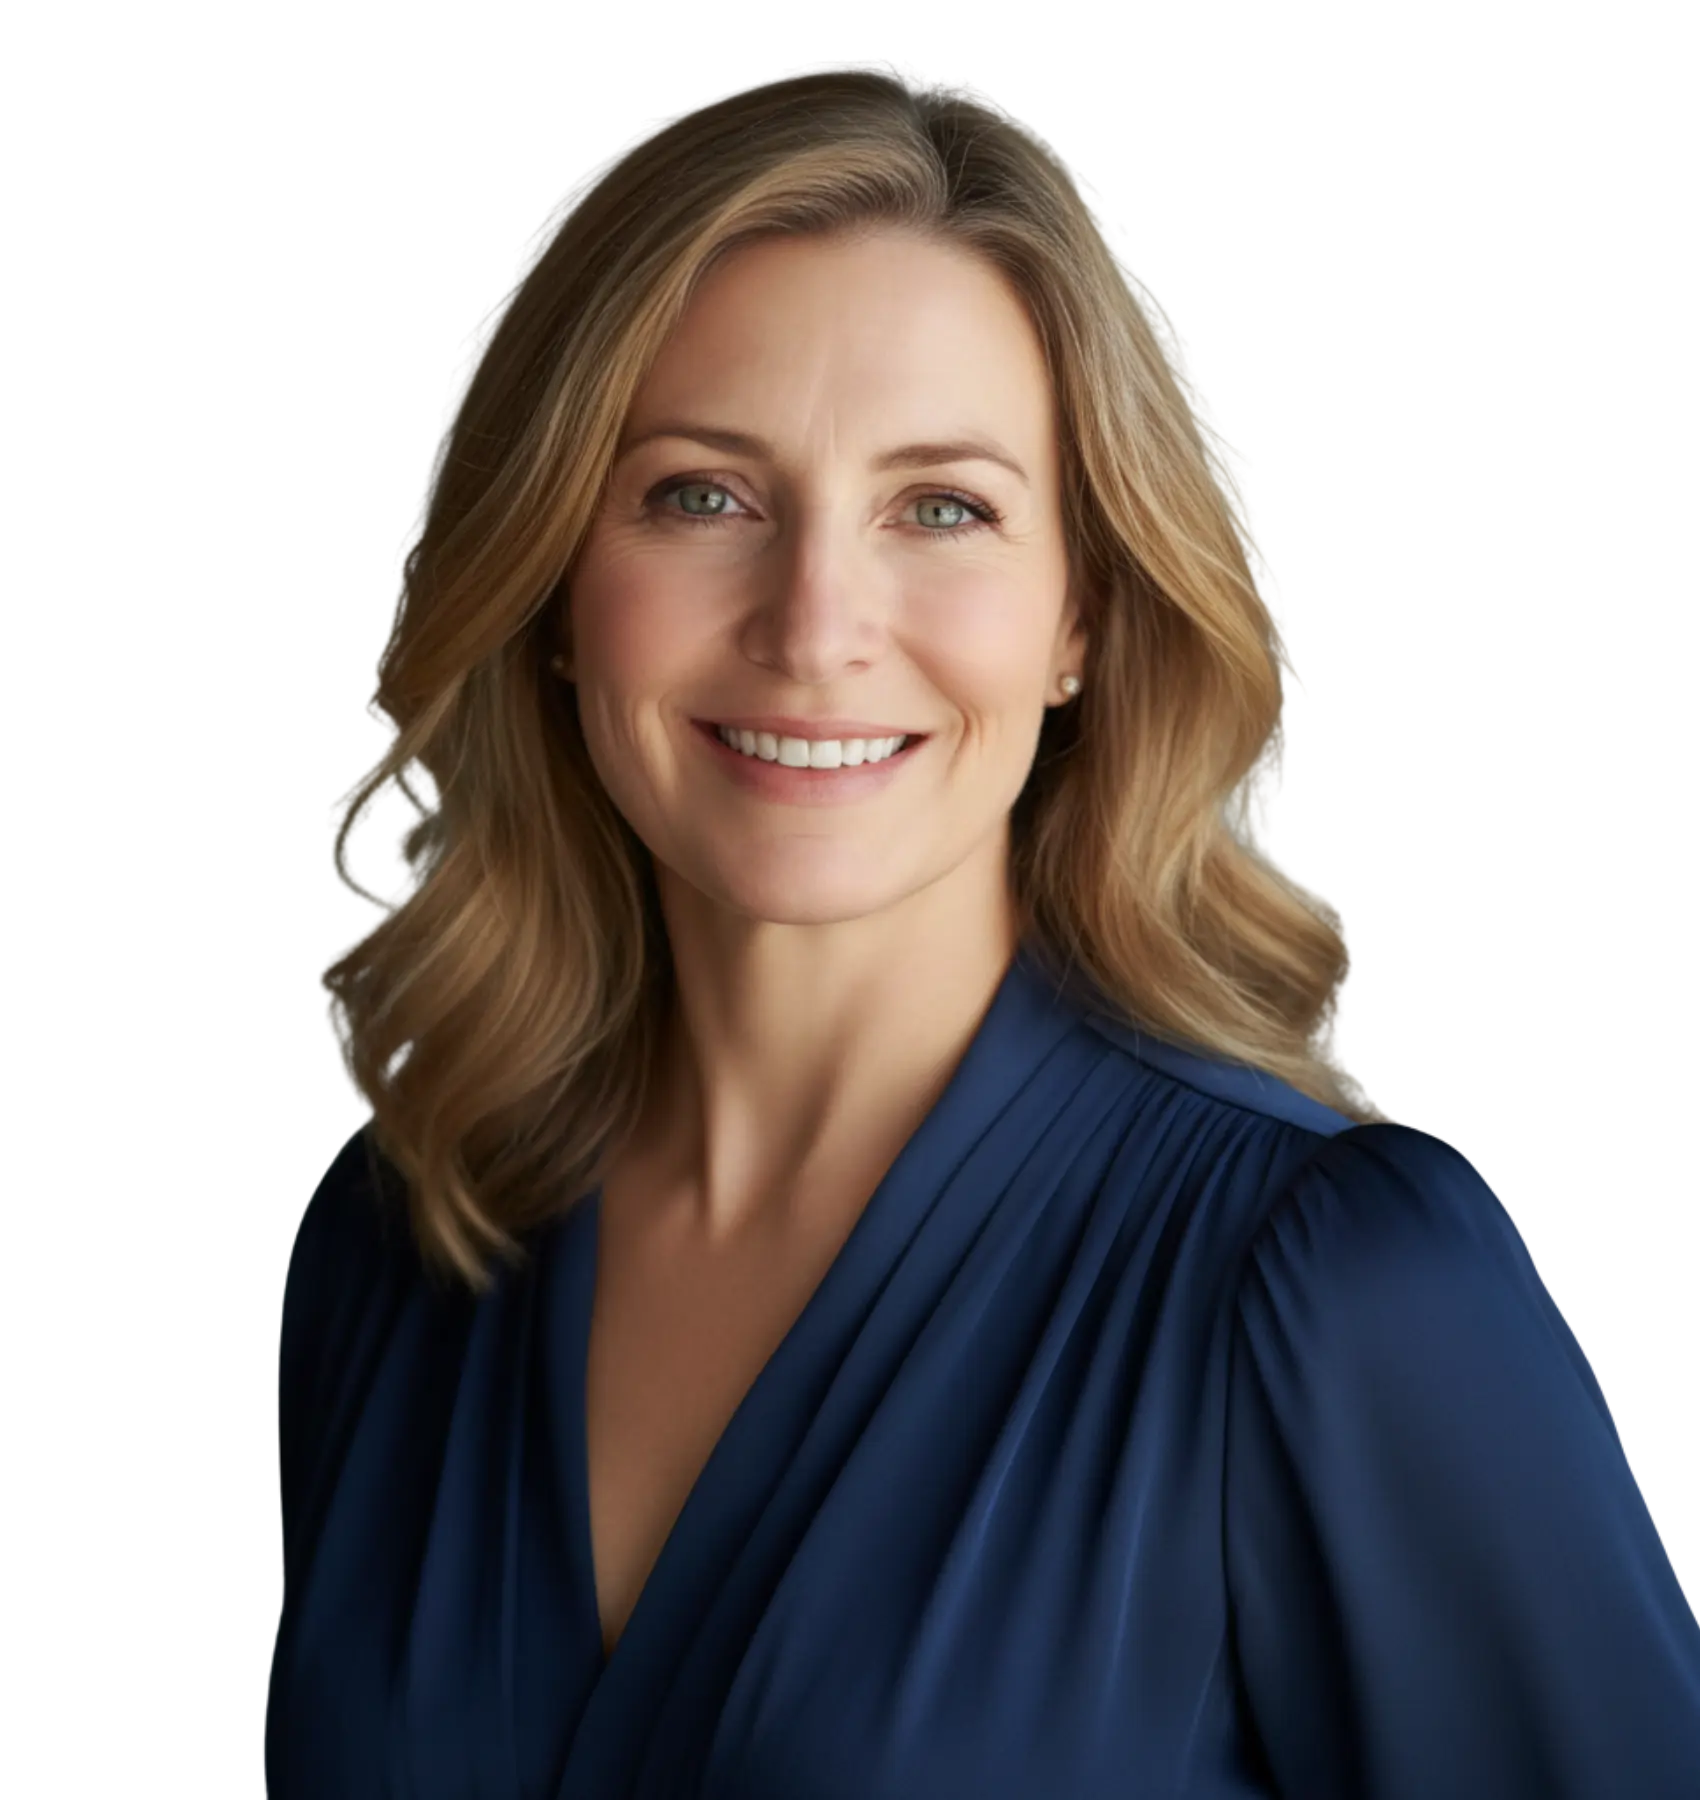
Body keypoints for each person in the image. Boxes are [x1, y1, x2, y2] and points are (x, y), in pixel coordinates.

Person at [267, 60, 1700, 1798]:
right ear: (560, 587)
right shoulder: (404, 1237)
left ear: (1080, 615)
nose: (815, 627)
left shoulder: (1340, 1281)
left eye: (940, 507)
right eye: (701, 494)